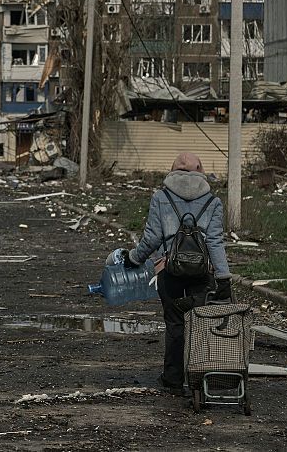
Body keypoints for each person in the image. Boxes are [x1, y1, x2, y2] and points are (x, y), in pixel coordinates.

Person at [122, 152, 231, 396]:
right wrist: (223, 277)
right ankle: (198, 375)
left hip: (168, 270)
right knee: (201, 323)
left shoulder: (161, 197)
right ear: (201, 170)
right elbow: (215, 241)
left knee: (175, 324)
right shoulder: (213, 202)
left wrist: (134, 258)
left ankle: (173, 378)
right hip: (202, 273)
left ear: (172, 170)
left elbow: (152, 237)